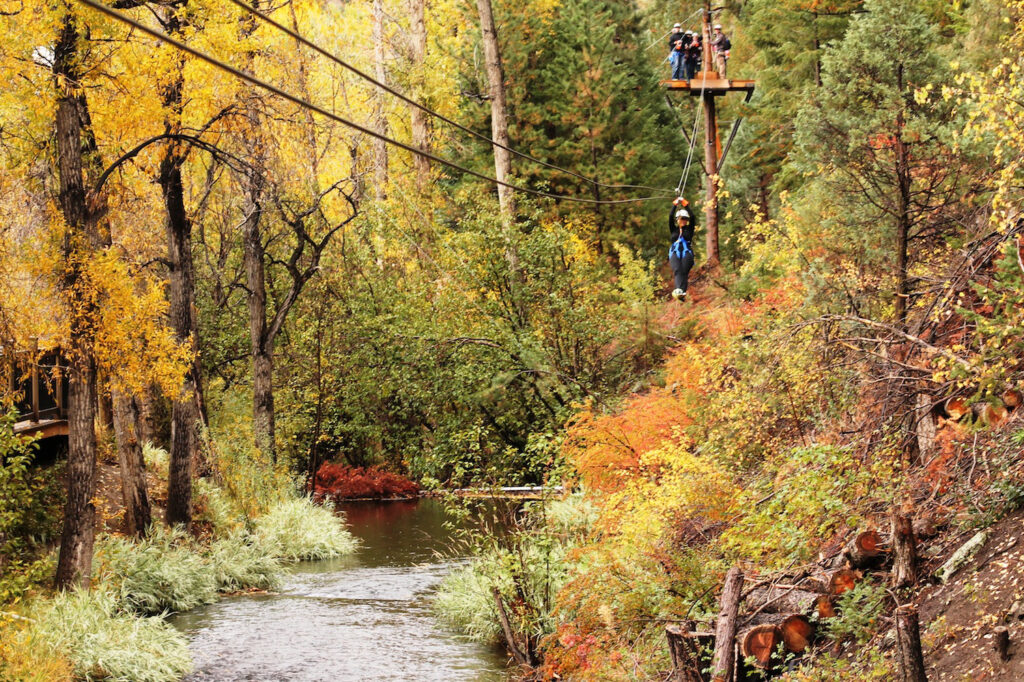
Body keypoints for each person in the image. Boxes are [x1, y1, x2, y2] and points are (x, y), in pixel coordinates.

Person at [668, 198, 695, 301]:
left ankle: (681, 292)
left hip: (686, 252)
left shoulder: (689, 229)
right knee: (677, 270)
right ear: (677, 219)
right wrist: (675, 204)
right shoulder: (673, 229)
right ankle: (678, 290)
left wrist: (685, 204)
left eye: (685, 219)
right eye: (681, 218)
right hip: (675, 251)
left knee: (684, 271)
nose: (683, 220)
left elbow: (692, 216)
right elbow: (670, 216)